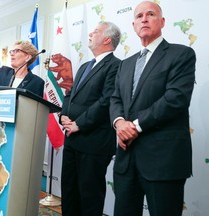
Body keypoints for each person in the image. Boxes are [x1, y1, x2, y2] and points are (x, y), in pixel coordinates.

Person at [109, 1, 196, 216]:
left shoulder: (181, 54)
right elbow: (115, 98)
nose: (144, 19)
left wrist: (135, 127)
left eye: (150, 14)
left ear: (162, 21)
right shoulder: (125, 63)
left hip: (163, 161)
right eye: (139, 16)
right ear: (134, 24)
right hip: (126, 160)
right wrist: (119, 123)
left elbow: (175, 99)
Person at [60, 21, 121, 216]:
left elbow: (106, 101)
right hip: (71, 138)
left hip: (94, 141)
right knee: (69, 190)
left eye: (95, 32)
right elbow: (70, 94)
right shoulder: (85, 65)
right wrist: (63, 116)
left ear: (107, 39)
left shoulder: (116, 65)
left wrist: (79, 124)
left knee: (90, 195)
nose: (90, 35)